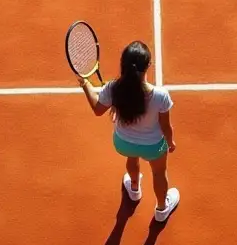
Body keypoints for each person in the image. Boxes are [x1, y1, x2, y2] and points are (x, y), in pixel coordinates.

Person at [77, 41, 181, 224]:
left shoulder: (113, 88)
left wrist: (85, 84)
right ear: (148, 66)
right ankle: (161, 209)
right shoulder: (160, 95)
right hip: (154, 147)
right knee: (159, 173)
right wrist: (170, 143)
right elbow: (166, 127)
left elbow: (97, 109)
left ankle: (134, 190)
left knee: (132, 159)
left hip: (123, 143)